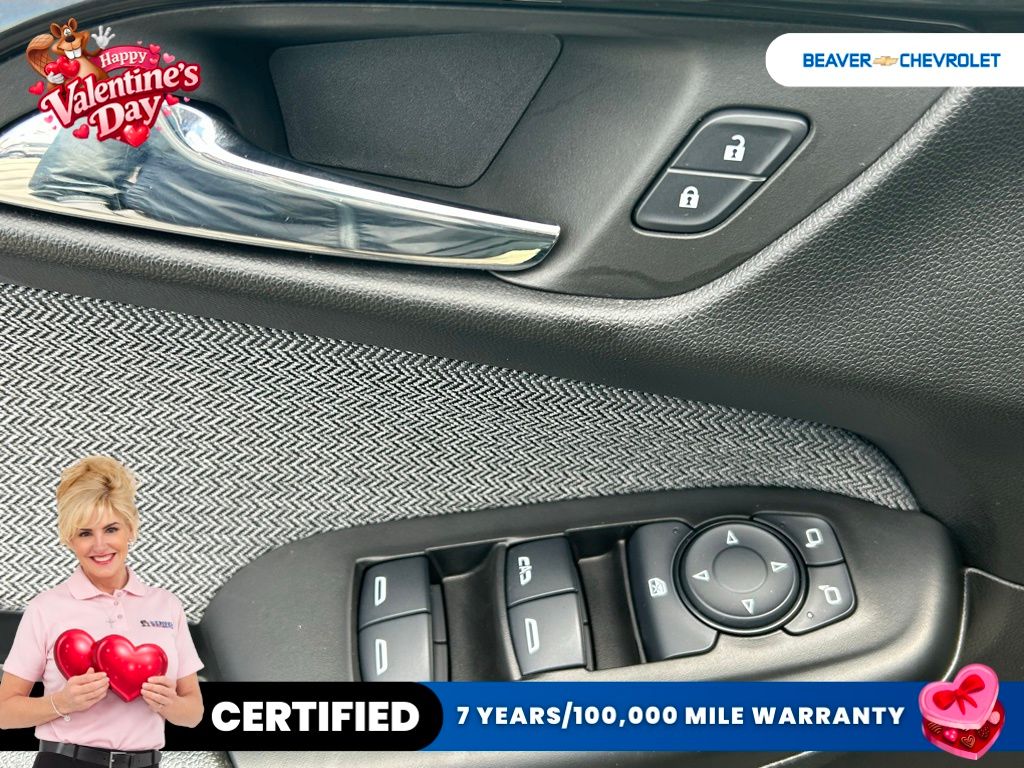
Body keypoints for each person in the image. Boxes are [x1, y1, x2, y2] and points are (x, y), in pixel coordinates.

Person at [0, 456, 204, 766]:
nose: (100, 545)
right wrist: (61, 703)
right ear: (70, 539)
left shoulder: (166, 606)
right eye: (85, 533)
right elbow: (4, 712)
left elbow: (194, 713)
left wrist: (169, 703)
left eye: (111, 529)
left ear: (130, 529)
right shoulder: (46, 608)